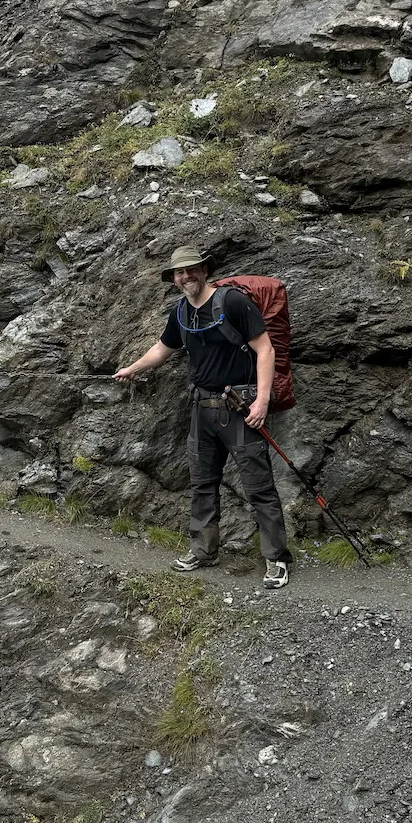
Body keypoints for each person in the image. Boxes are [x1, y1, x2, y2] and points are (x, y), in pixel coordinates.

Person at [114, 245, 291, 589]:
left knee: (258, 486)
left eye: (192, 270)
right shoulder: (181, 312)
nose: (186, 276)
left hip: (239, 410)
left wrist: (263, 401)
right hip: (201, 412)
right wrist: (132, 369)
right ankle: (203, 550)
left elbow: (265, 348)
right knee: (202, 484)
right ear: (175, 279)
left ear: (204, 270)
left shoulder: (233, 303)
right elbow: (162, 349)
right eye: (180, 272)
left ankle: (277, 559)